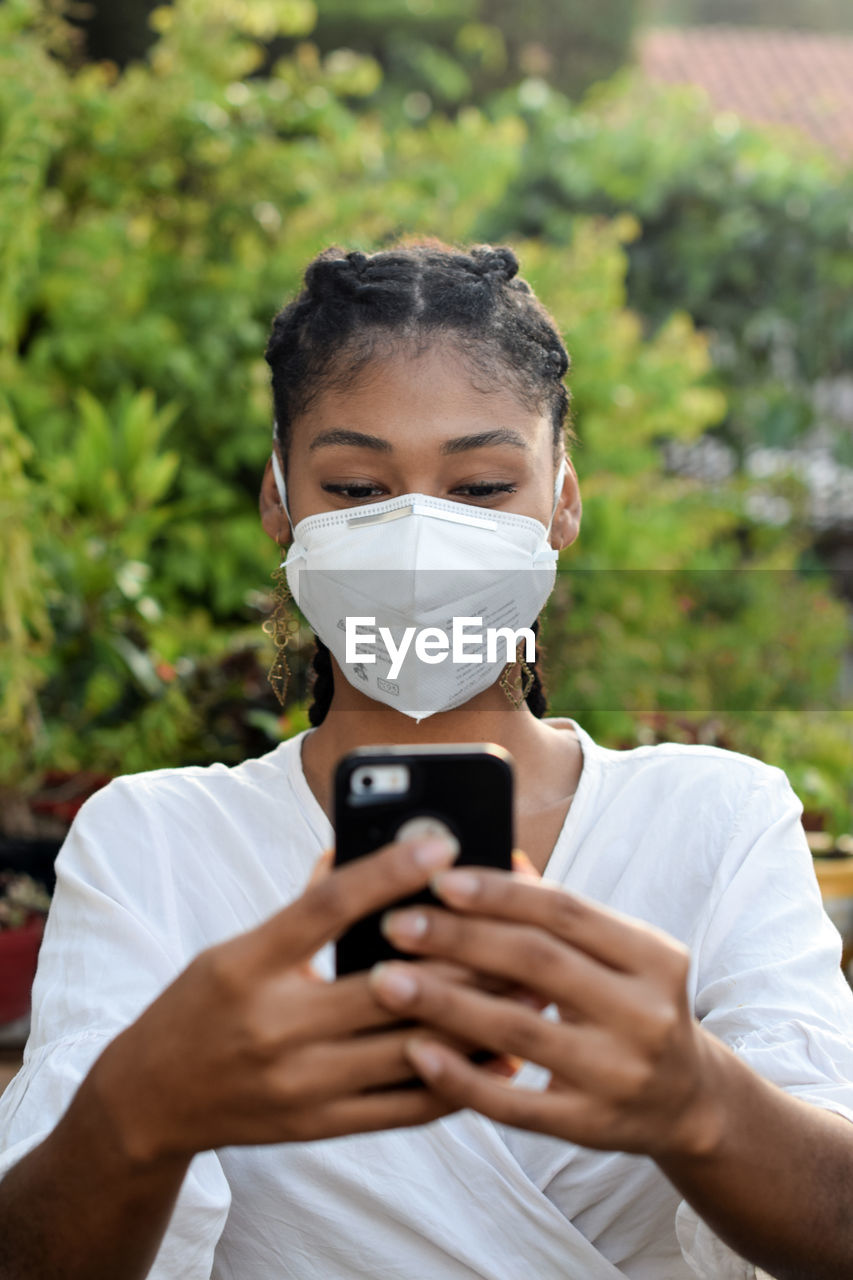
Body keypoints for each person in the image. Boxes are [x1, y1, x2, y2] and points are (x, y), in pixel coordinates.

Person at [1, 240, 852, 1280]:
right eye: (357, 486)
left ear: (563, 500)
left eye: (483, 484)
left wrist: (699, 1100)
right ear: (280, 501)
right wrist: (138, 1112)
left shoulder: (713, 820)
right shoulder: (158, 841)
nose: (418, 538)